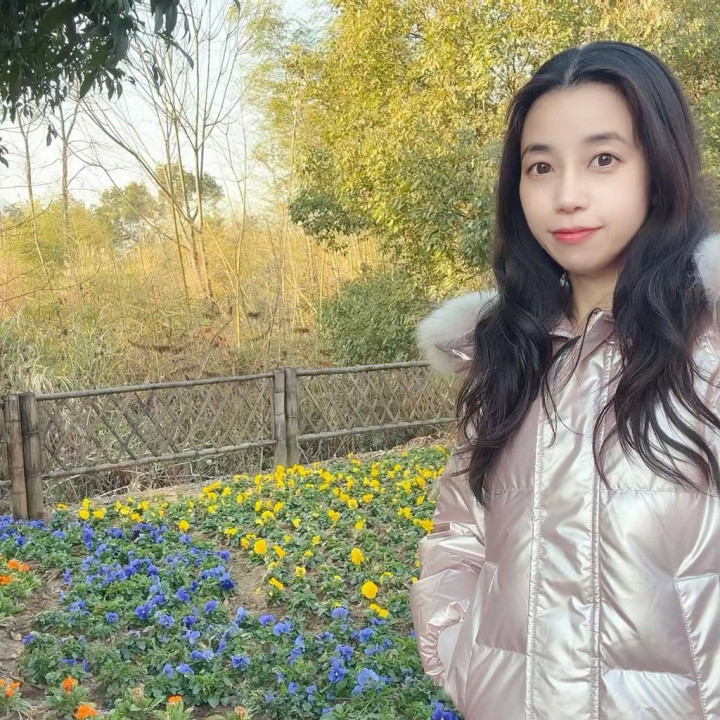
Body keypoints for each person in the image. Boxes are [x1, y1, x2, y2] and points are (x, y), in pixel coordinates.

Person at [409, 40, 720, 720]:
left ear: (659, 168)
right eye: (540, 166)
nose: (567, 196)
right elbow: (460, 537)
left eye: (603, 159)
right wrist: (462, 660)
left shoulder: (711, 352)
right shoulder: (505, 357)